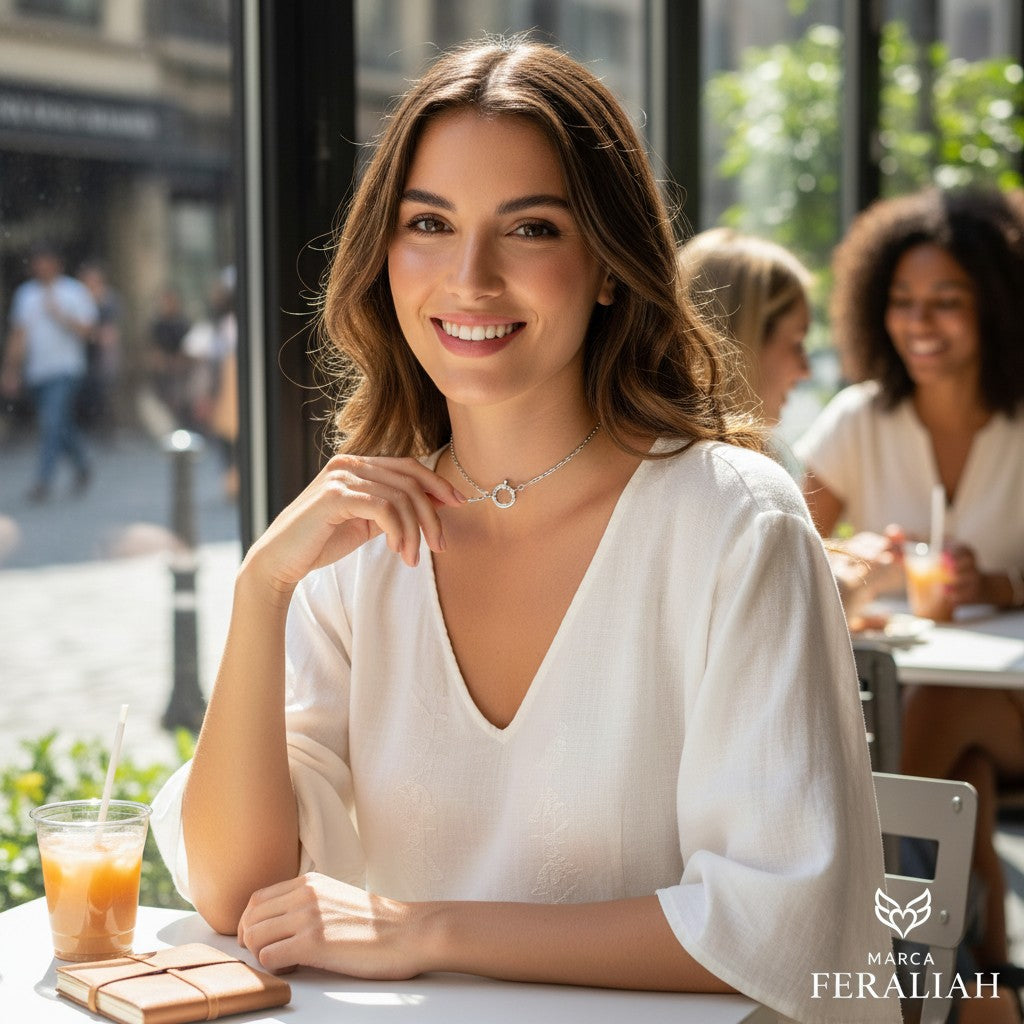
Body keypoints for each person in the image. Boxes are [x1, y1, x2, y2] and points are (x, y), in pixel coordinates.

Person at [152, 38, 898, 1022]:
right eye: (429, 223)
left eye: (531, 229)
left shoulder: (735, 521)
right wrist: (261, 590)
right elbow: (239, 891)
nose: (470, 278)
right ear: (385, 256)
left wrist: (422, 928)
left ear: (607, 268)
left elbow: (779, 921)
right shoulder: (359, 540)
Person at [796, 186, 1024, 1006]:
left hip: (1009, 704)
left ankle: (856, 919)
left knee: (936, 715)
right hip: (940, 704)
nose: (919, 323)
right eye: (901, 302)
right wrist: (865, 561)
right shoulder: (863, 419)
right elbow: (789, 545)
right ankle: (978, 982)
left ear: (996, 305)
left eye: (946, 302)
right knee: (956, 767)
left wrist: (997, 584)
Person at [677, 228, 901, 623]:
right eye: (797, 342)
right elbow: (780, 624)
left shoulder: (660, 453)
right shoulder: (731, 478)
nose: (805, 368)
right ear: (743, 343)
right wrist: (856, 583)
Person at [0, 242, 98, 502]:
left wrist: (61, 316)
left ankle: (43, 480)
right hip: (37, 371)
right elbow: (18, 335)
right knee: (58, 423)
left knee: (50, 422)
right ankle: (81, 463)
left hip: (65, 369)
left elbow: (89, 332)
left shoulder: (74, 292)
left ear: (56, 264)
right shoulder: (26, 295)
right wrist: (11, 370)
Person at [77, 261, 122, 439]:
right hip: (83, 354)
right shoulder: (79, 298)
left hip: (102, 357)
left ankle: (107, 429)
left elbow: (108, 334)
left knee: (104, 391)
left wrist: (92, 334)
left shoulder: (108, 300)